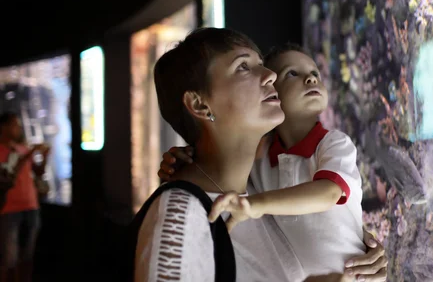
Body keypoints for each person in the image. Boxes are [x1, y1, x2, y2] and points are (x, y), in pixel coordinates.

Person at [136, 28, 377, 282]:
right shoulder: (181, 218)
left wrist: (361, 241)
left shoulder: (255, 192)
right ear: (199, 105)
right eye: (243, 67)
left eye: (261, 64)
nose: (270, 75)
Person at [0, 112, 50, 282]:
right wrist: (31, 152)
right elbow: (12, 170)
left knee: (28, 256)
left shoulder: (22, 148)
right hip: (9, 209)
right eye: (14, 125)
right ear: (4, 127)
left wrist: (44, 157)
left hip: (31, 205)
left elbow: (38, 172)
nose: (18, 128)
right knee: (9, 258)